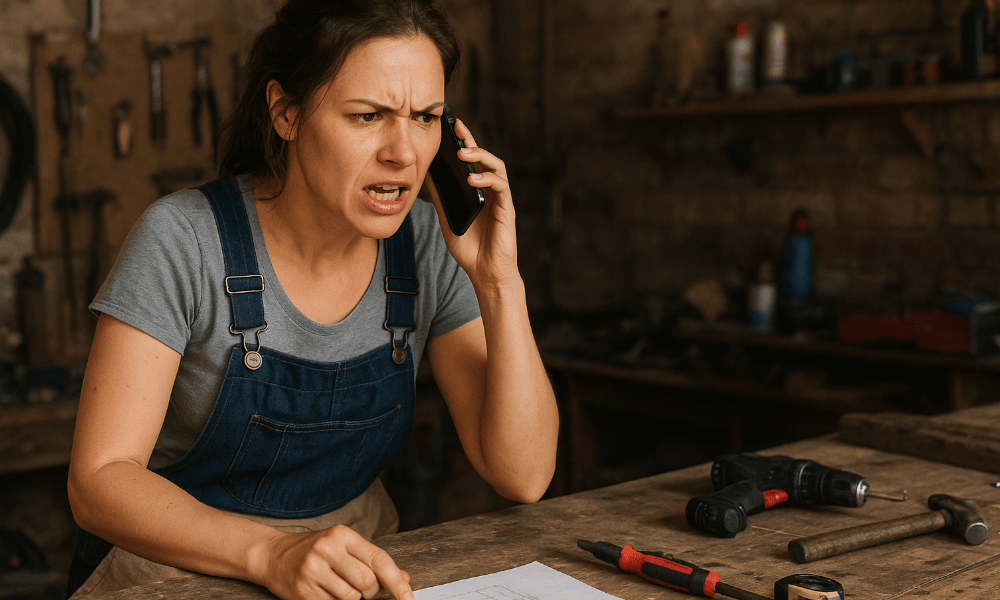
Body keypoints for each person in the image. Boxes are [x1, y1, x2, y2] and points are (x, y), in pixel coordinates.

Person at [64, 1, 560, 598]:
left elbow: (524, 474)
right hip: (169, 578)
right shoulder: (183, 239)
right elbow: (98, 481)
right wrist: (271, 551)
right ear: (286, 112)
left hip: (351, 581)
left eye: (426, 117)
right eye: (368, 115)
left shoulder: (432, 245)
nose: (403, 152)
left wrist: (499, 281)